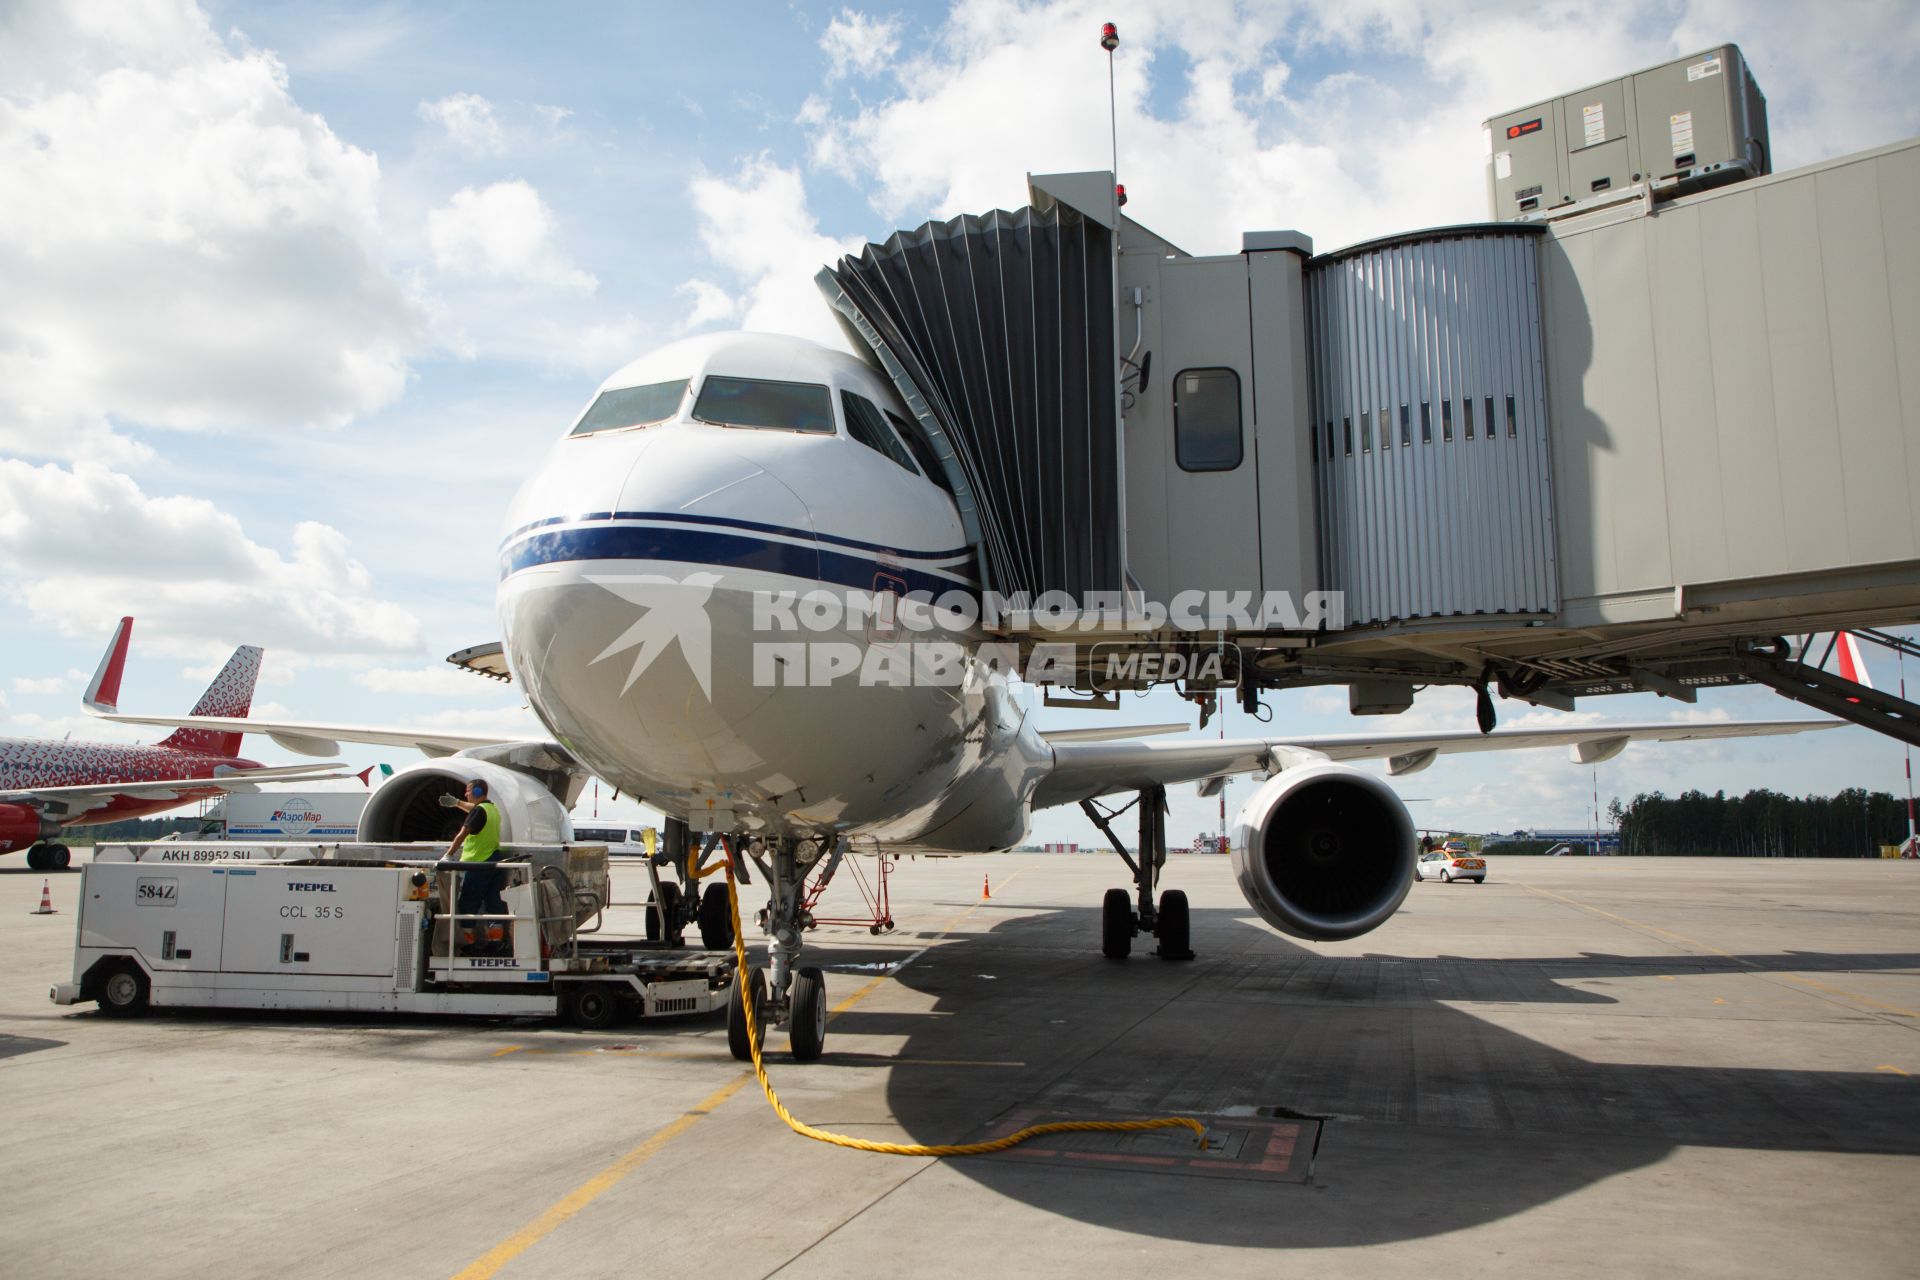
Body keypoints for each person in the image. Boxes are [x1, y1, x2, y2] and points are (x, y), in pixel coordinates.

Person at [442, 779, 508, 954]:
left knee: (468, 904)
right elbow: (475, 811)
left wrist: (448, 855)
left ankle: (468, 944)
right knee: (494, 902)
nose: (466, 794)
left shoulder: (479, 811)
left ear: (478, 792)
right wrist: (457, 803)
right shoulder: (492, 809)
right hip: (494, 860)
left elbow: (462, 834)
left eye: (468, 791)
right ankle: (496, 942)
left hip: (478, 863)